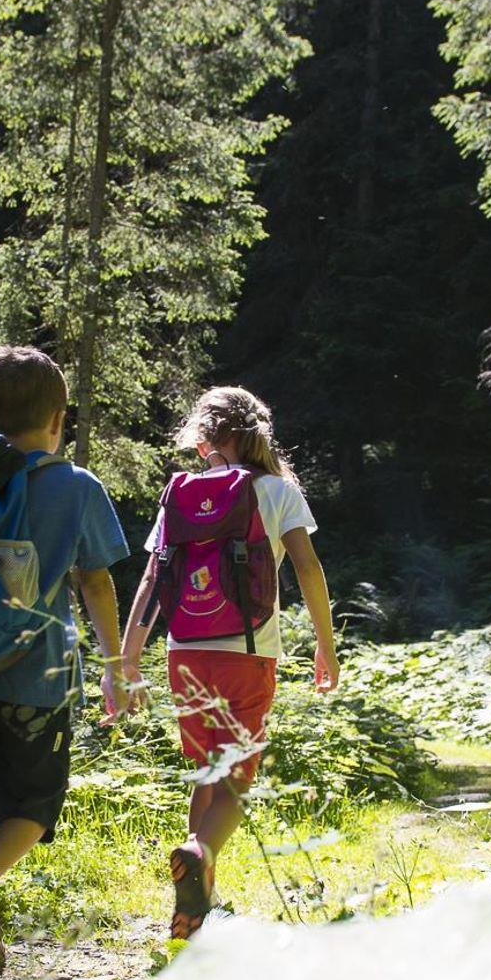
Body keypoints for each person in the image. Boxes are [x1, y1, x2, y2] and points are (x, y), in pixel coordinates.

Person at [0, 346, 136, 980]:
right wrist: (115, 664)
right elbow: (95, 580)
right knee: (37, 804)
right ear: (58, 420)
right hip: (38, 677)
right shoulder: (76, 487)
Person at [121, 386, 338, 940]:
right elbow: (307, 569)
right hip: (247, 653)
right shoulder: (278, 491)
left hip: (184, 652)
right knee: (236, 782)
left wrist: (128, 658)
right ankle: (199, 853)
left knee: (206, 771)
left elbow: (152, 579)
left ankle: (200, 904)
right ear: (258, 436)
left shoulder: (180, 496)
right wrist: (325, 643)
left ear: (203, 442)